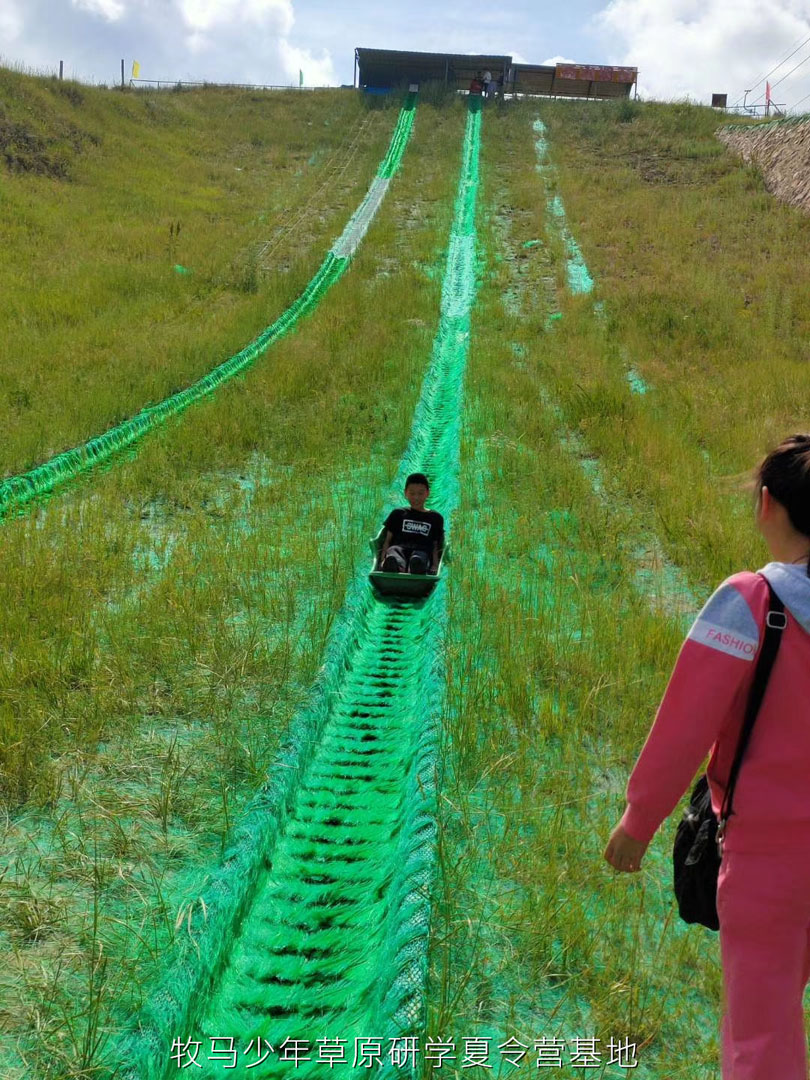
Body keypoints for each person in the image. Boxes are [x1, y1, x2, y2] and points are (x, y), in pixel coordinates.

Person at [604, 434, 810, 1080]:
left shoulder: (752, 603)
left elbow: (683, 729)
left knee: (763, 1037)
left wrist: (638, 823)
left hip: (770, 862)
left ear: (767, 505)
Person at [379, 472, 444, 575]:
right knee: (394, 552)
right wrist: (382, 560)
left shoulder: (435, 518)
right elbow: (387, 540)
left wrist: (435, 565)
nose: (416, 498)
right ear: (405, 493)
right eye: (412, 493)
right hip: (399, 548)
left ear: (428, 493)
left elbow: (435, 545)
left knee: (419, 557)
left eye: (420, 493)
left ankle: (417, 568)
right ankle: (393, 567)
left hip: (421, 550)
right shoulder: (398, 514)